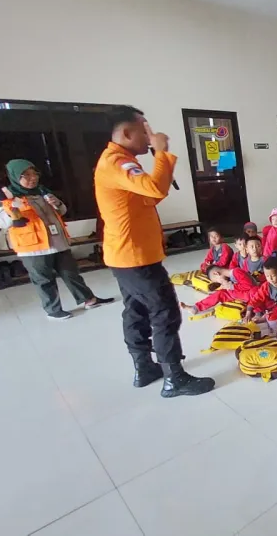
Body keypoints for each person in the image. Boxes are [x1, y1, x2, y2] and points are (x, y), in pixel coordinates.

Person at [94, 105, 213, 396]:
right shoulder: (117, 162)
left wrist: (160, 169)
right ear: (126, 132)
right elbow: (154, 188)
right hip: (135, 257)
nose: (150, 136)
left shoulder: (118, 161)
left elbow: (146, 199)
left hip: (125, 255)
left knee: (136, 310)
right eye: (144, 129)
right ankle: (174, 378)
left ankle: (144, 367)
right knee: (164, 313)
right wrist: (161, 152)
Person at [0, 159, 113, 320]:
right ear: (15, 176)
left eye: (34, 174)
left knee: (71, 273)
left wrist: (56, 203)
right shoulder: (7, 196)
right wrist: (12, 212)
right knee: (44, 280)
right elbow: (1, 222)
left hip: (57, 241)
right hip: (33, 247)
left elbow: (62, 210)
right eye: (26, 175)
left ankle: (89, 300)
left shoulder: (42, 191)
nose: (32, 178)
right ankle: (53, 310)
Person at [179, 264, 255, 314]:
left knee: (253, 292)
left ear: (216, 273)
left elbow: (249, 285)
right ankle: (196, 307)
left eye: (216, 280)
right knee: (220, 293)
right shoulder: (229, 277)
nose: (219, 282)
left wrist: (231, 286)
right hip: (239, 294)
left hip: (250, 294)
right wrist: (228, 286)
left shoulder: (236, 271)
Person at [243, 256, 277, 324]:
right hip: (269, 306)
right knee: (254, 292)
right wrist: (248, 314)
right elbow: (256, 299)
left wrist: (268, 315)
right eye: (267, 276)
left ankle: (264, 318)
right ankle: (259, 314)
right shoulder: (267, 285)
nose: (270, 279)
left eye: (273, 276)